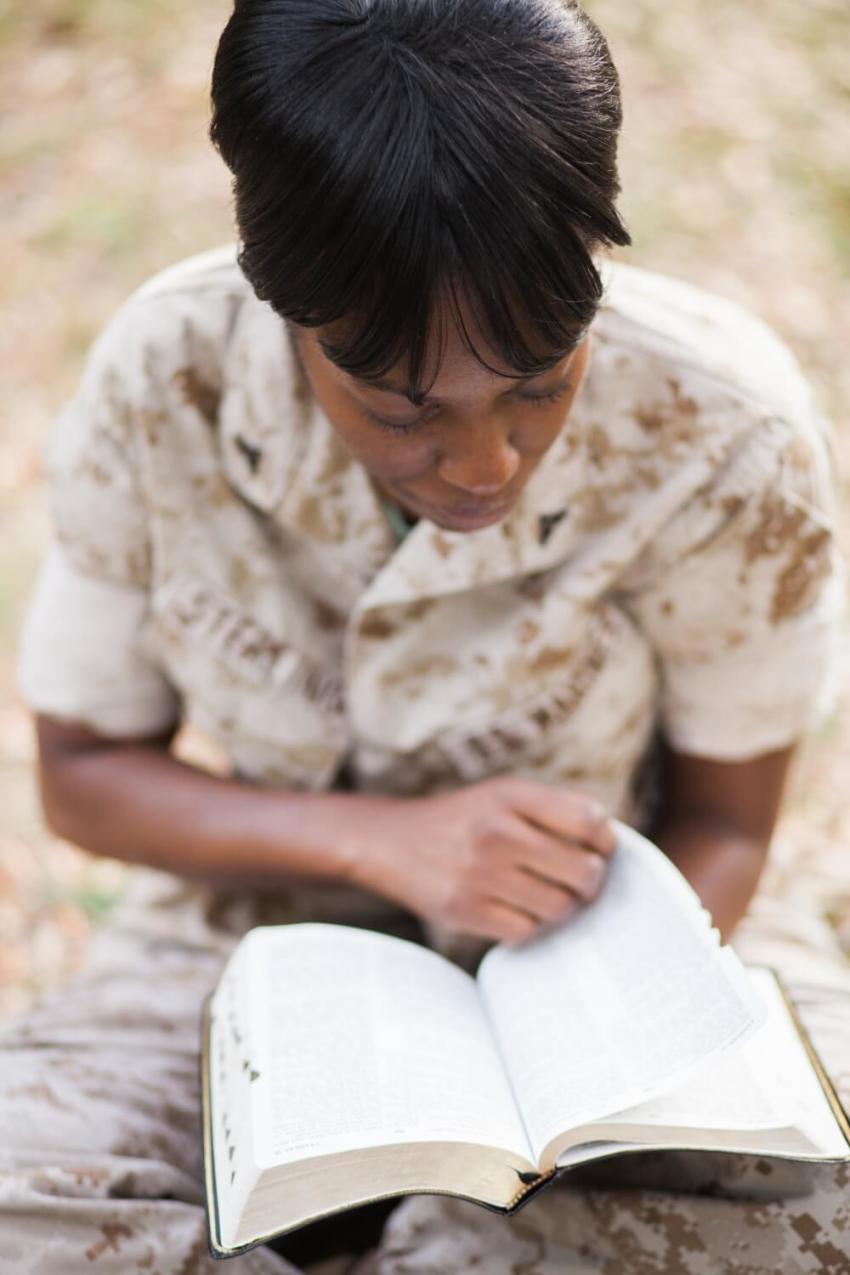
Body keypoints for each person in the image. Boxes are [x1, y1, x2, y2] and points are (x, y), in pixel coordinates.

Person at [3, 1, 848, 1271]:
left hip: (618, 965)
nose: (485, 463)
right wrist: (383, 844)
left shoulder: (725, 432)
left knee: (821, 1205)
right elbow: (82, 774)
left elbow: (726, 829)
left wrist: (583, 1073)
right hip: (251, 943)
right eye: (403, 408)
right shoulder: (165, 376)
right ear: (286, 307)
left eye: (540, 381)